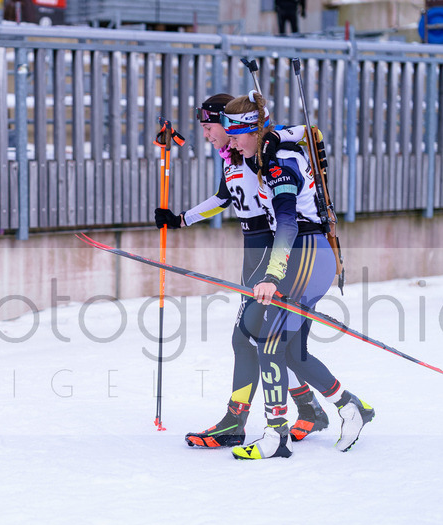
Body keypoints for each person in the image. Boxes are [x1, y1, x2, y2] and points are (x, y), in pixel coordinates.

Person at [154, 94, 330, 450]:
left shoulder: (258, 154)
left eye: (209, 127)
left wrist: (276, 136)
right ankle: (309, 409)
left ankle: (243, 421)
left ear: (228, 124)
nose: (207, 135)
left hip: (274, 253)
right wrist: (180, 219)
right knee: (268, 340)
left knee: (257, 339)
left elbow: (302, 134)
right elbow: (223, 199)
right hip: (252, 253)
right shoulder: (233, 158)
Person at [221, 91, 374, 459]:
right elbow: (307, 132)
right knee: (292, 351)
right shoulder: (272, 150)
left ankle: (276, 435)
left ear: (255, 132)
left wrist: (273, 277)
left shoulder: (277, 165)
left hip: (305, 252)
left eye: (237, 134)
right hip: (311, 256)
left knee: (268, 341)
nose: (232, 142)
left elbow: (287, 223)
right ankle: (351, 406)